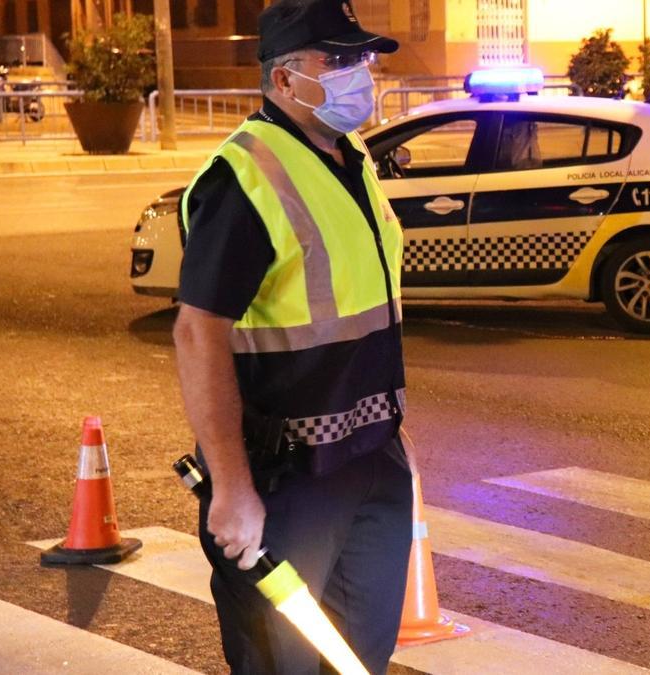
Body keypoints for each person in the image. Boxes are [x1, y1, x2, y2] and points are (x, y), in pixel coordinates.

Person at [172, 0, 411, 672]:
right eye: (335, 59)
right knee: (283, 661)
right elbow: (198, 335)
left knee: (359, 657)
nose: (358, 71)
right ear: (282, 80)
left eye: (360, 56)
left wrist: (392, 431)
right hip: (288, 480)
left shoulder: (351, 157)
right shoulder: (245, 177)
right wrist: (231, 486)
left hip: (371, 462)